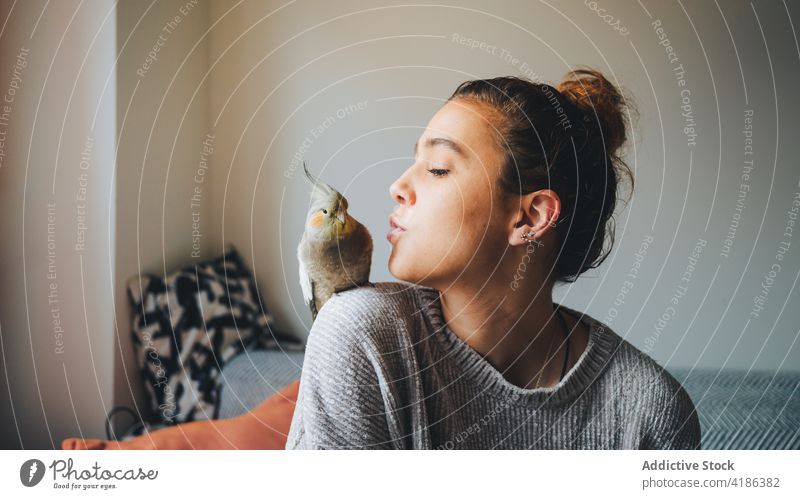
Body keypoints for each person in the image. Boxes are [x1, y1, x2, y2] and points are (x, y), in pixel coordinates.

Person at [286, 68, 702, 449]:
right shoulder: (359, 338)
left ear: (531, 216)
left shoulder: (651, 415)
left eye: (437, 169)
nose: (398, 186)